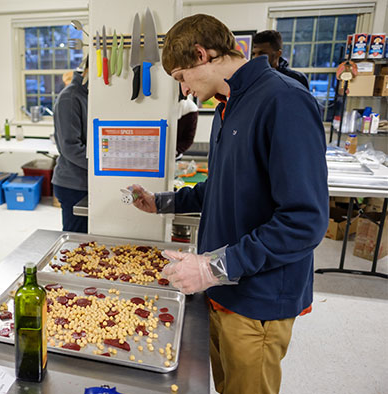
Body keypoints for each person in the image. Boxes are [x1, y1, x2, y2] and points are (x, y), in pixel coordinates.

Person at [129, 15, 328, 394]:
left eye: (181, 78)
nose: (184, 91)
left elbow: (305, 220)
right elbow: (220, 186)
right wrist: (162, 202)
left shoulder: (284, 101)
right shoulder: (226, 105)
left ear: (201, 54)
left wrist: (214, 267)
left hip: (259, 298)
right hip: (221, 287)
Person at [52, 59, 88, 233]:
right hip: (73, 185)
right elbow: (71, 148)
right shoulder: (70, 98)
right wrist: (103, 167)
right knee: (76, 243)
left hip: (87, 181)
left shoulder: (88, 95)